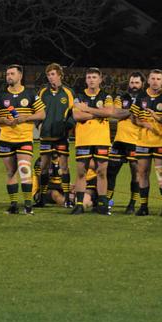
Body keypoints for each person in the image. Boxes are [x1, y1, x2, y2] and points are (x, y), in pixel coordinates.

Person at [0, 64, 45, 214]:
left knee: (24, 170)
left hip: (24, 138)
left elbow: (41, 114)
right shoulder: (1, 96)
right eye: (7, 74)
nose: (9, 76)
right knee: (11, 172)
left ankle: (27, 205)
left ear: (20, 76)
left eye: (12, 74)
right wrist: (4, 120)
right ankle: (13, 205)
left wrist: (25, 118)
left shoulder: (30, 94)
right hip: (6, 139)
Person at [131, 69, 162, 216]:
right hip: (143, 142)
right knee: (142, 173)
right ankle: (143, 206)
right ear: (149, 81)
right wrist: (143, 124)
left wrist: (158, 118)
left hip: (160, 142)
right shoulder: (140, 96)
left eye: (158, 79)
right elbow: (133, 117)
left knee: (161, 174)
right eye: (153, 78)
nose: (155, 81)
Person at [71, 67, 114, 215]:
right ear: (86, 80)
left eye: (94, 77)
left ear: (100, 79)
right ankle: (78, 205)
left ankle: (102, 205)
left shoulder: (106, 96)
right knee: (81, 172)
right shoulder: (78, 96)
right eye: (89, 77)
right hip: (83, 139)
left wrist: (87, 109)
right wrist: (98, 114)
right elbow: (77, 116)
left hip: (101, 139)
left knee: (101, 172)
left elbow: (109, 112)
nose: (91, 80)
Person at [36, 63, 75, 207]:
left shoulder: (68, 92)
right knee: (44, 166)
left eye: (53, 74)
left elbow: (73, 113)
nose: (50, 77)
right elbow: (37, 110)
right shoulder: (42, 92)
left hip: (61, 137)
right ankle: (41, 199)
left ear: (59, 75)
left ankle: (68, 200)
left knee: (64, 167)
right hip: (46, 136)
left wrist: (67, 126)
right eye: (48, 75)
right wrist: (39, 125)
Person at [107, 71, 144, 214]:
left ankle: (132, 204)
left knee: (136, 174)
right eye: (132, 82)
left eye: (137, 83)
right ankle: (107, 202)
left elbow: (143, 117)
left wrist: (124, 112)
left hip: (137, 141)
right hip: (119, 140)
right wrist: (131, 111)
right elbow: (114, 113)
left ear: (142, 84)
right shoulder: (121, 97)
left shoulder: (145, 98)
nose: (134, 85)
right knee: (111, 172)